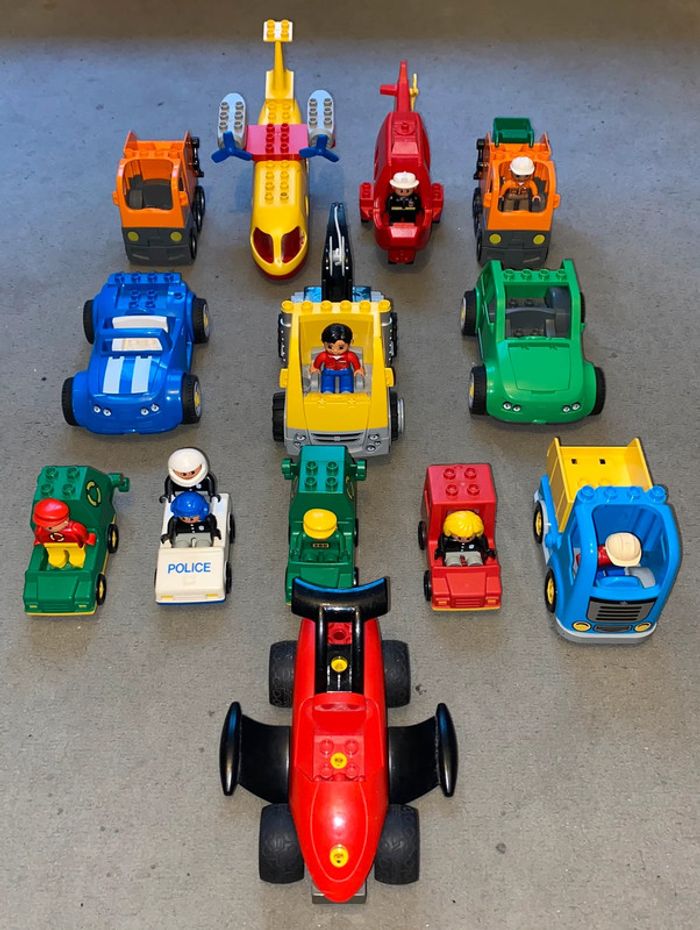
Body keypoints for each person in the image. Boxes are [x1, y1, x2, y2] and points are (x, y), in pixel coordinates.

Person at [33, 498, 96, 569]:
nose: (47, 528)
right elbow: (38, 535)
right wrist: (39, 540)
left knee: (76, 557)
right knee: (56, 557)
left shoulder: (73, 529)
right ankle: (58, 558)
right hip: (52, 546)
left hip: (74, 545)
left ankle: (76, 558)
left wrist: (87, 539)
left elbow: (81, 532)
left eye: (50, 527)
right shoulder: (41, 530)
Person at [310, 323, 364, 394]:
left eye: (341, 347)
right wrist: (315, 367)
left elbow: (355, 362)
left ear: (350, 343)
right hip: (328, 372)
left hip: (345, 372)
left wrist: (357, 369)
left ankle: (346, 391)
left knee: (346, 386)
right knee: (327, 386)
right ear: (323, 343)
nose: (335, 351)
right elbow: (318, 362)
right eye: (330, 347)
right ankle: (327, 391)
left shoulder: (350, 356)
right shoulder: (324, 355)